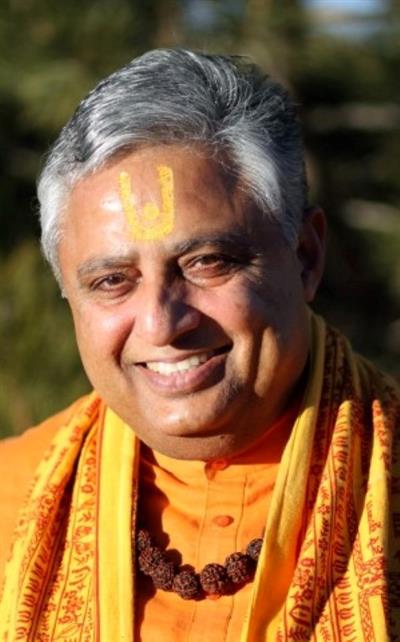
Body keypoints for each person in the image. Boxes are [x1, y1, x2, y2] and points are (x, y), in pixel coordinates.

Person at [0, 48, 399, 642]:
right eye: (112, 281)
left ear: (306, 257)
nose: (162, 325)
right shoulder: (10, 499)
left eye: (207, 262)